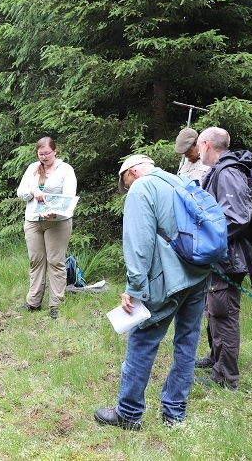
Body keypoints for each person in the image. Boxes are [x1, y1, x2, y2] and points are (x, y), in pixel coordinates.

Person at [94, 155, 210, 430]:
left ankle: (128, 413)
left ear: (132, 171)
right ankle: (174, 415)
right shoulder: (181, 181)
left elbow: (139, 243)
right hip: (200, 274)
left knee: (143, 338)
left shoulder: (142, 188)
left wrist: (135, 289)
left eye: (126, 182)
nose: (128, 188)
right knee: (187, 343)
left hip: (168, 279)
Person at [193, 126, 252, 391]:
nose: (197, 152)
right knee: (215, 309)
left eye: (199, 146)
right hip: (221, 255)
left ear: (206, 144)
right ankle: (215, 358)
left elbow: (237, 217)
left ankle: (226, 377)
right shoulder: (221, 170)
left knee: (225, 314)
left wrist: (207, 241)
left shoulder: (228, 172)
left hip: (229, 257)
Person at [15, 137, 77, 319]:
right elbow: (21, 193)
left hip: (57, 221)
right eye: (40, 154)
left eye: (47, 153)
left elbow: (69, 198)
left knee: (55, 261)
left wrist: (54, 213)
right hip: (33, 220)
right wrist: (33, 191)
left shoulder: (66, 170)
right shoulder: (32, 169)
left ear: (55, 152)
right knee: (36, 261)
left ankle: (56, 304)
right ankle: (33, 302)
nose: (44, 157)